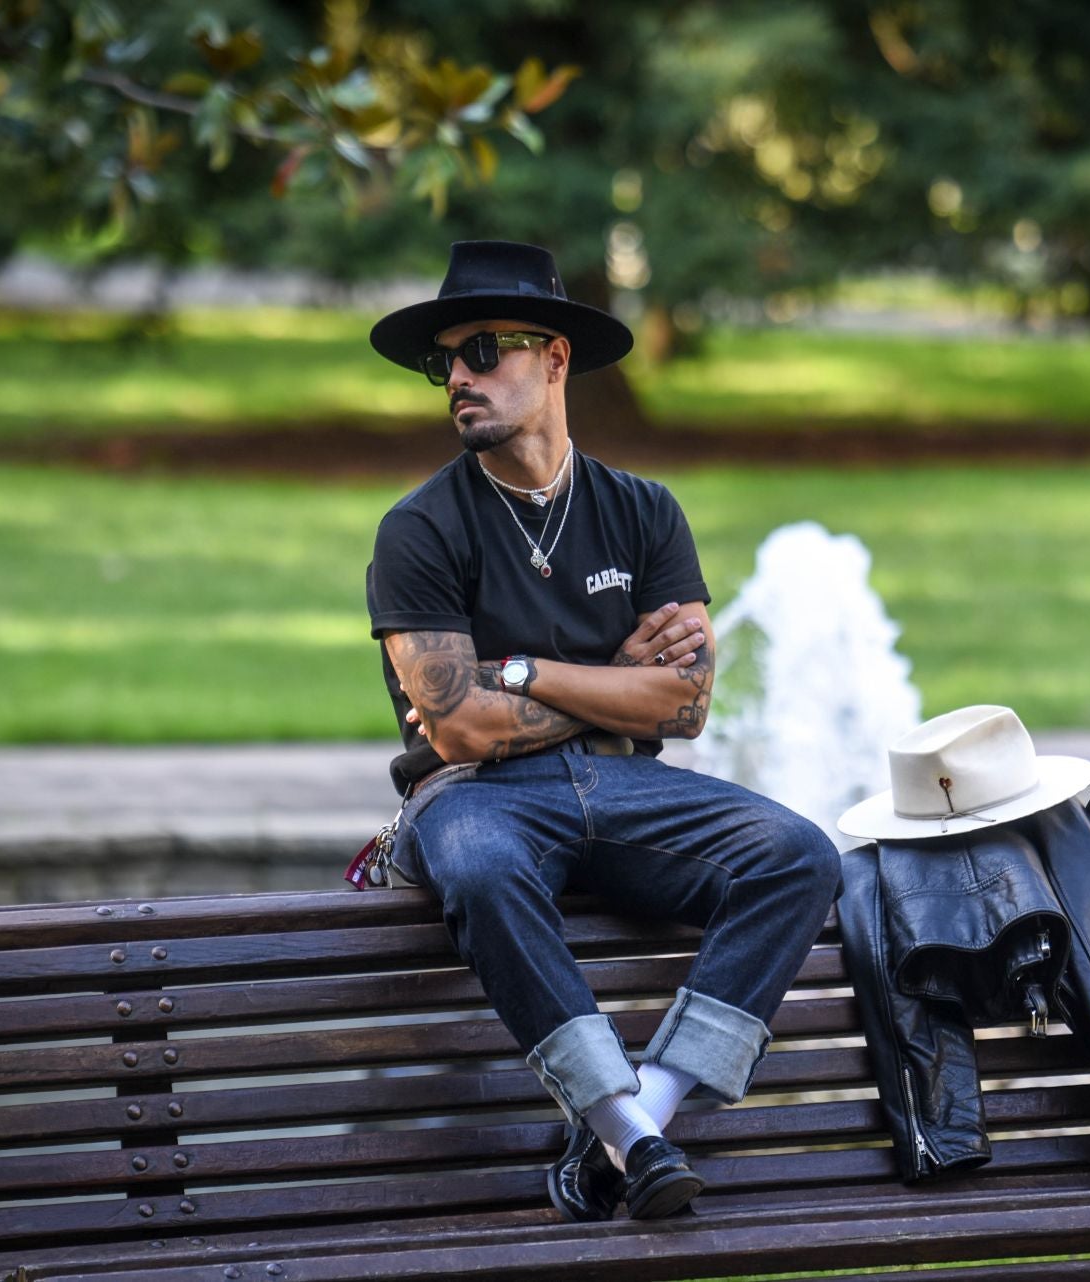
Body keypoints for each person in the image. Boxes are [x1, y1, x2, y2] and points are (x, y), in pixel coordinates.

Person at [363, 241, 843, 1222]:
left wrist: (529, 673)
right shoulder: (417, 530)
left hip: (626, 788)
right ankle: (626, 1125)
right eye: (443, 359)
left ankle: (634, 1124)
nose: (457, 374)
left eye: (483, 348)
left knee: (796, 854)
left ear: (555, 358)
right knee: (486, 866)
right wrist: (617, 681)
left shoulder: (643, 512)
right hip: (472, 802)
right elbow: (460, 729)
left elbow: (686, 705)